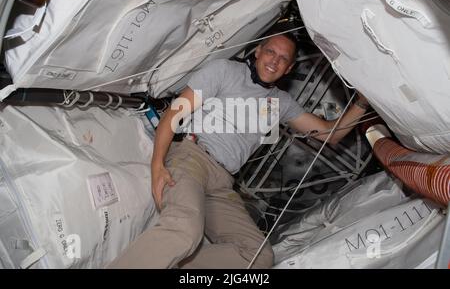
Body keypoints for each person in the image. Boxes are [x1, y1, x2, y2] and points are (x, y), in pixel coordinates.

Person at [108, 33, 370, 269]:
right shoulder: (224, 71)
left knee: (258, 257)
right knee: (185, 231)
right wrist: (158, 165)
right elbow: (173, 115)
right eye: (270, 52)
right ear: (257, 51)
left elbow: (330, 134)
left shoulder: (282, 102)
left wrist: (360, 103)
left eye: (283, 59)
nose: (274, 61)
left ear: (289, 69)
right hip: (193, 158)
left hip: (223, 183)